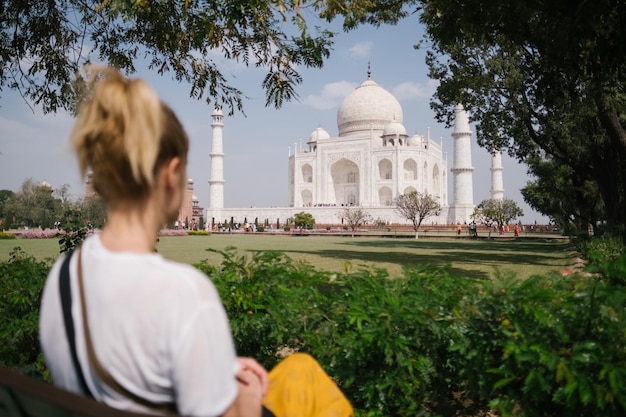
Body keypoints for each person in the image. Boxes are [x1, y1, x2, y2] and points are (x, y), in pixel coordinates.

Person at [39, 67, 352, 417]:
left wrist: (212, 371)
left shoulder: (62, 276)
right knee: (306, 378)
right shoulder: (184, 292)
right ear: (172, 174)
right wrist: (246, 399)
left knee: (298, 369)